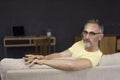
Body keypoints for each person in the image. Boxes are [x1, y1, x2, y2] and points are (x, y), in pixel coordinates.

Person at [23, 18, 104, 71]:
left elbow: (72, 65)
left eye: (92, 33)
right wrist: (45, 57)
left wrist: (44, 61)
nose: (86, 37)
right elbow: (61, 55)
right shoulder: (79, 44)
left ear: (100, 37)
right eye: (85, 32)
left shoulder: (96, 56)